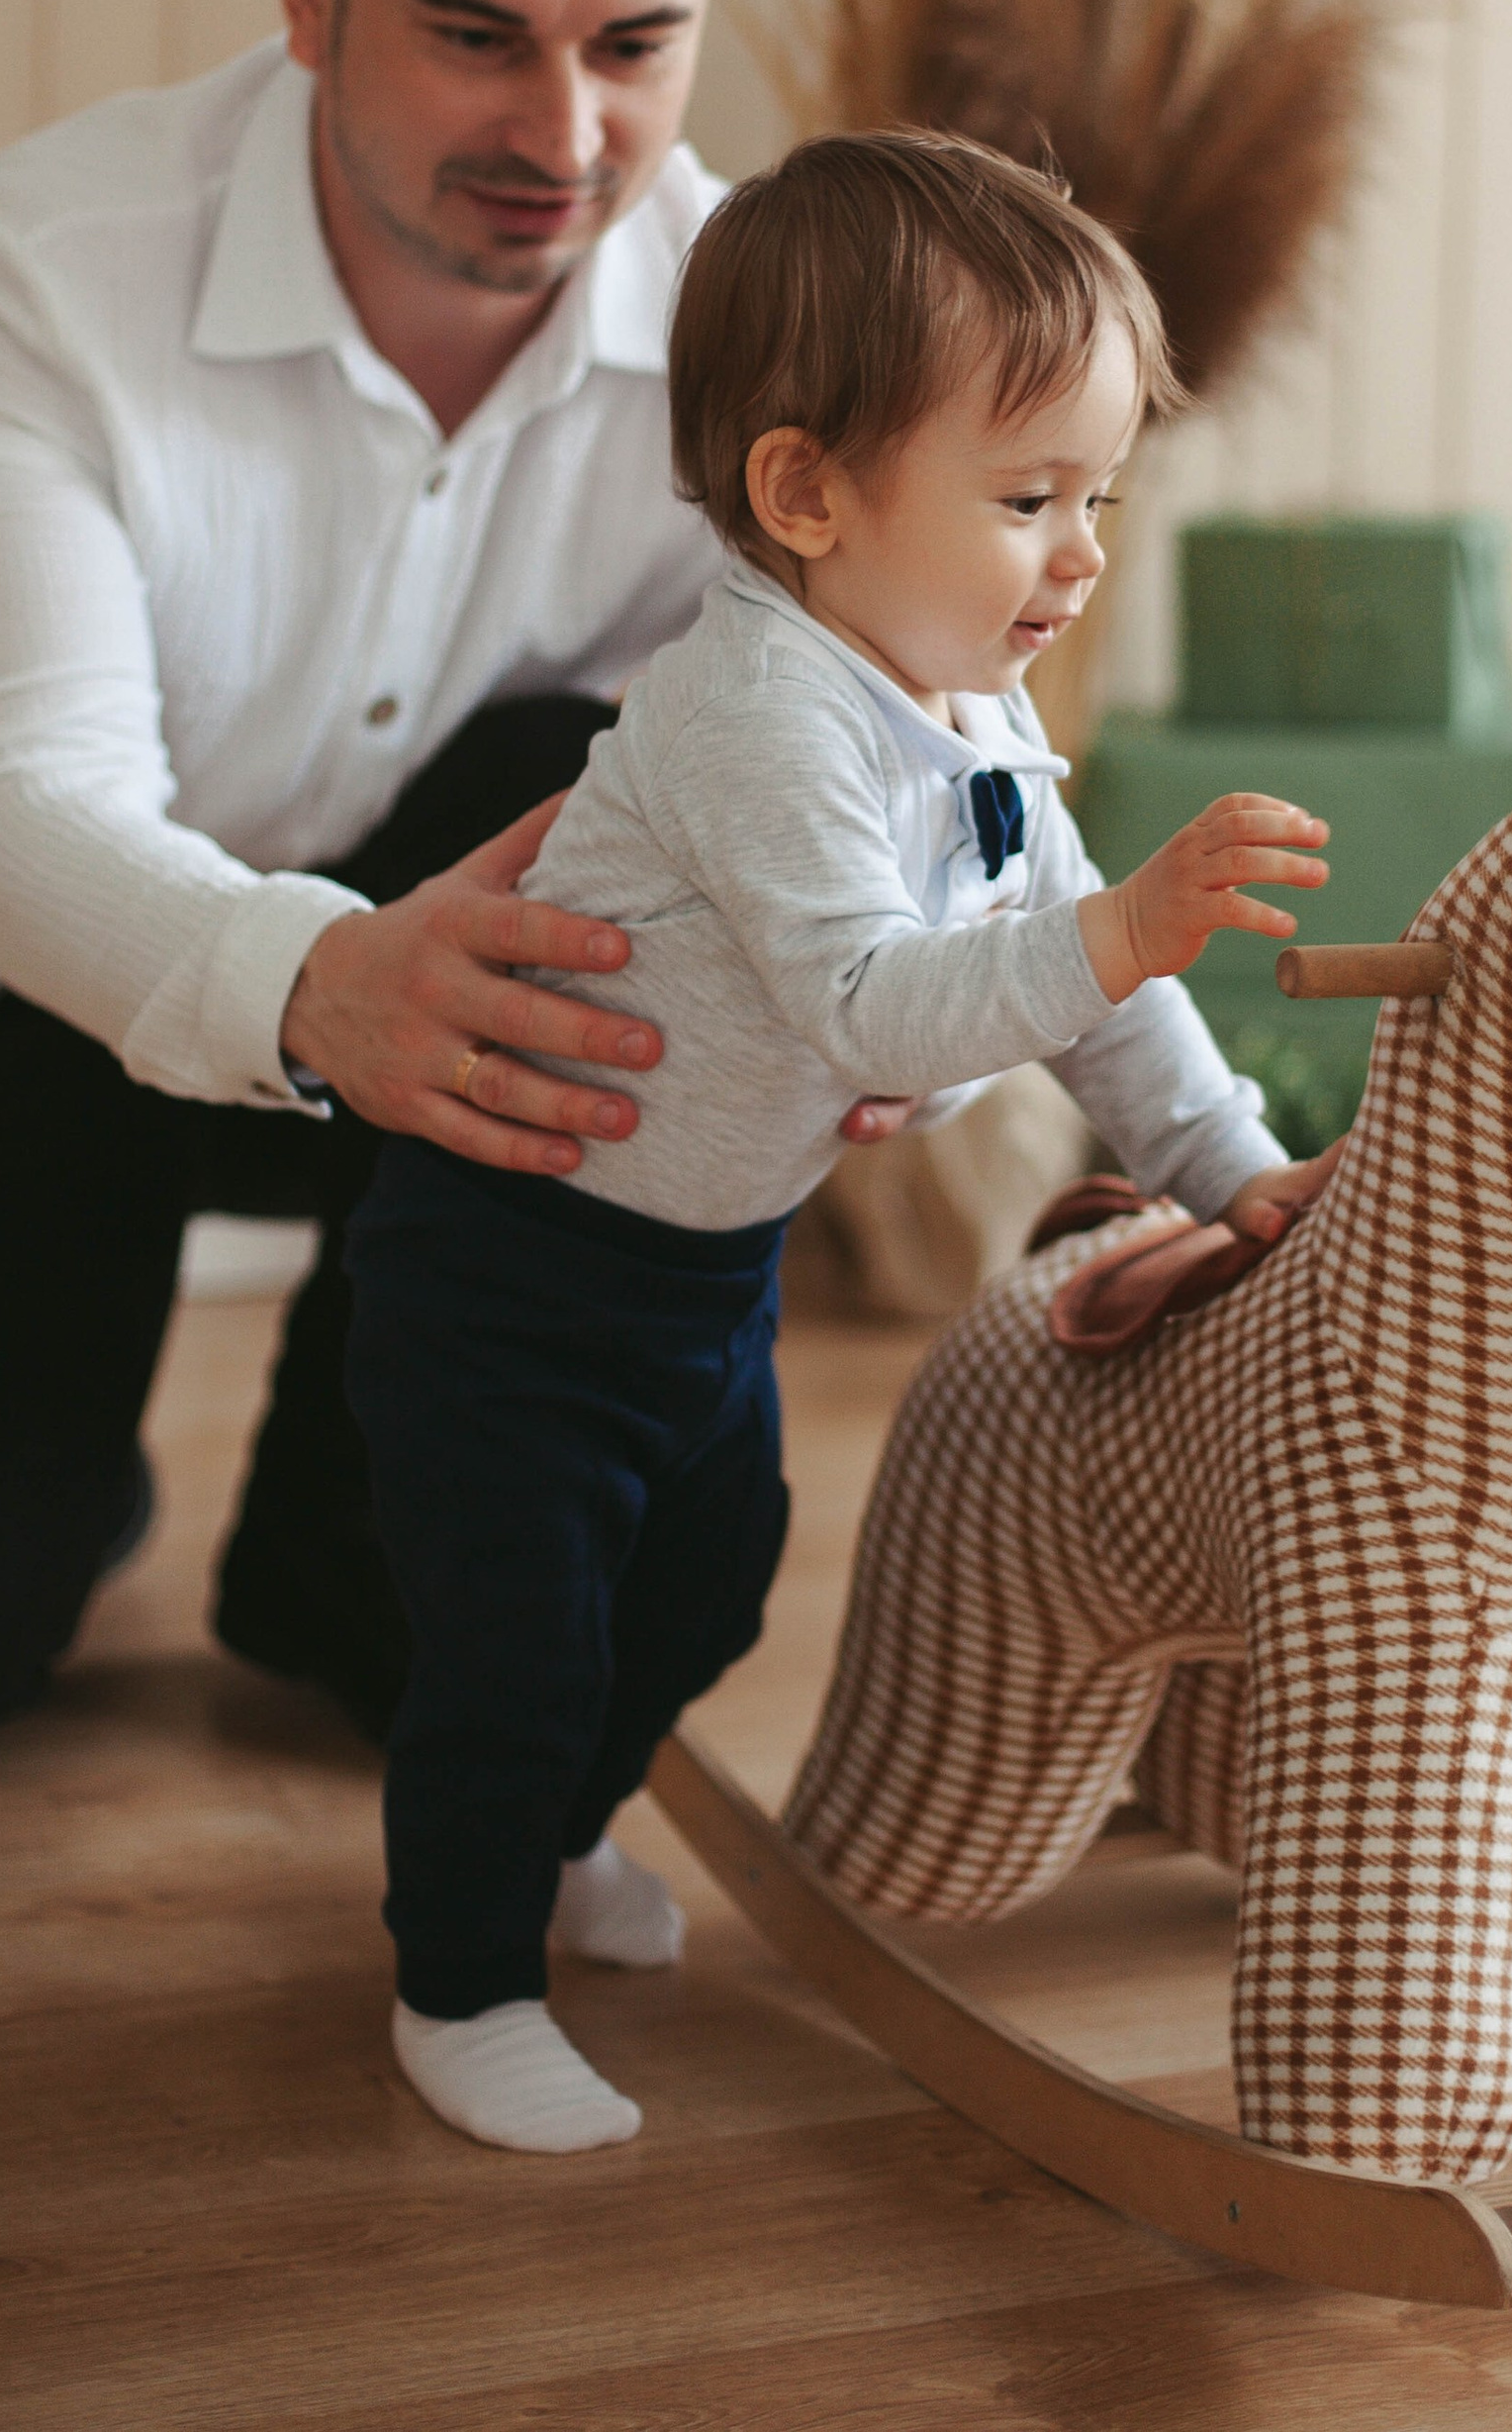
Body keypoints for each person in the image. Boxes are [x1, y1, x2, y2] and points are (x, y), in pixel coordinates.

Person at [0, 0, 918, 1785]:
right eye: (474, 34)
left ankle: (344, 1555)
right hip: (7, 998)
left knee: (601, 761)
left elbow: (919, 749)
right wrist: (315, 980)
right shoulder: (24, 272)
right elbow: (14, 795)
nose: (562, 138)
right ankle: (54, 1470)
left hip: (479, 1013)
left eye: (634, 45)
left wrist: (939, 1023)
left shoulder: (775, 319)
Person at [344, 129, 1335, 2155]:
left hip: (704, 1269)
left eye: (1097, 500)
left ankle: (559, 1837)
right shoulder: (752, 717)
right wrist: (1108, 923)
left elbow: (1100, 1002)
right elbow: (876, 1009)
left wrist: (1231, 1173)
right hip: (512, 1267)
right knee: (520, 1633)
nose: (1078, 556)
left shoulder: (968, 713)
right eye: (1025, 498)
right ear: (804, 492)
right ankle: (455, 1977)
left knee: (700, 1596)